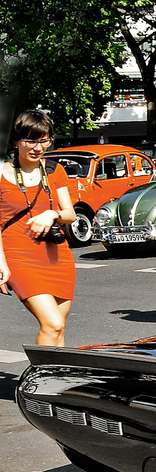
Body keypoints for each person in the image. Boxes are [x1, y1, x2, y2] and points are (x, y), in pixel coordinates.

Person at [0, 109, 76, 346]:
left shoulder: (54, 170)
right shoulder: (2, 173)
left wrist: (52, 213)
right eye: (31, 140)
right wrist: (0, 264)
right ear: (15, 141)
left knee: (58, 329)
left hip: (57, 257)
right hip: (18, 256)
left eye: (44, 140)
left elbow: (70, 214)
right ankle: (40, 381)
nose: (38, 147)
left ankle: (55, 379)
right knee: (52, 323)